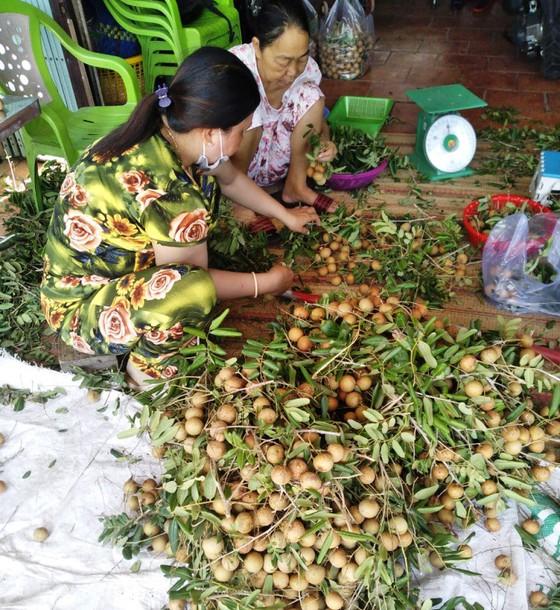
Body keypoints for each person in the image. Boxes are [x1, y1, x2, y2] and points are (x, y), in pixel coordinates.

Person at [40, 47, 319, 387]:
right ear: (211, 132)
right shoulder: (169, 190)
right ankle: (143, 373)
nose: (245, 137)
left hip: (85, 276)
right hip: (81, 310)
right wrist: (266, 283)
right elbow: (193, 279)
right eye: (243, 129)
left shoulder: (171, 130)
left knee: (208, 190)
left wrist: (285, 215)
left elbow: (229, 177)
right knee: (193, 293)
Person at [230, 0, 338, 230]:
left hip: (275, 165)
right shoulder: (236, 68)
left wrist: (324, 139)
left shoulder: (307, 71)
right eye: (284, 61)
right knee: (249, 105)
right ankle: (236, 199)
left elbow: (321, 119)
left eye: (301, 57)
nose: (292, 71)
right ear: (257, 47)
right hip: (233, 171)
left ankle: (295, 186)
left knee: (312, 95)